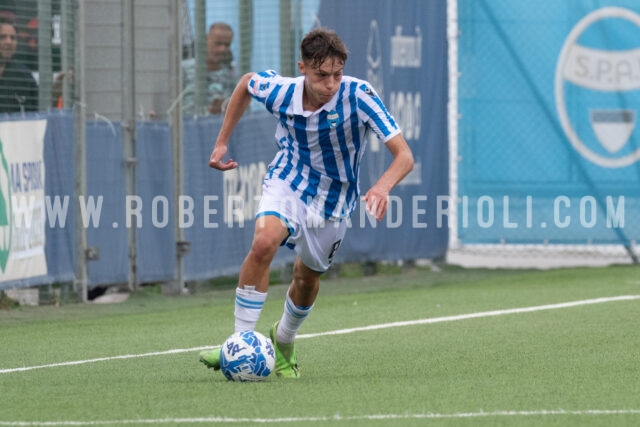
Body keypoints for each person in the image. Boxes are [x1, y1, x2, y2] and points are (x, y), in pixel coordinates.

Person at [199, 27, 414, 378]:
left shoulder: (359, 95)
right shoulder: (282, 92)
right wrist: (222, 142)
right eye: (321, 75)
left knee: (306, 277)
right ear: (302, 68)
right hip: (289, 180)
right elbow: (246, 84)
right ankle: (238, 344)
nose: (331, 84)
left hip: (335, 199)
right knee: (263, 242)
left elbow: (404, 156)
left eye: (337, 74)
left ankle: (283, 341)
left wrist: (382, 187)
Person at [182, 22, 237, 115]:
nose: (222, 49)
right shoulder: (184, 70)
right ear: (206, 41)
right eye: (218, 44)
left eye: (227, 45)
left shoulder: (229, 77)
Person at [0, 17, 37, 113]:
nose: (9, 42)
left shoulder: (24, 75)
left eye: (13, 38)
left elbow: (36, 114)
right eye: (2, 37)